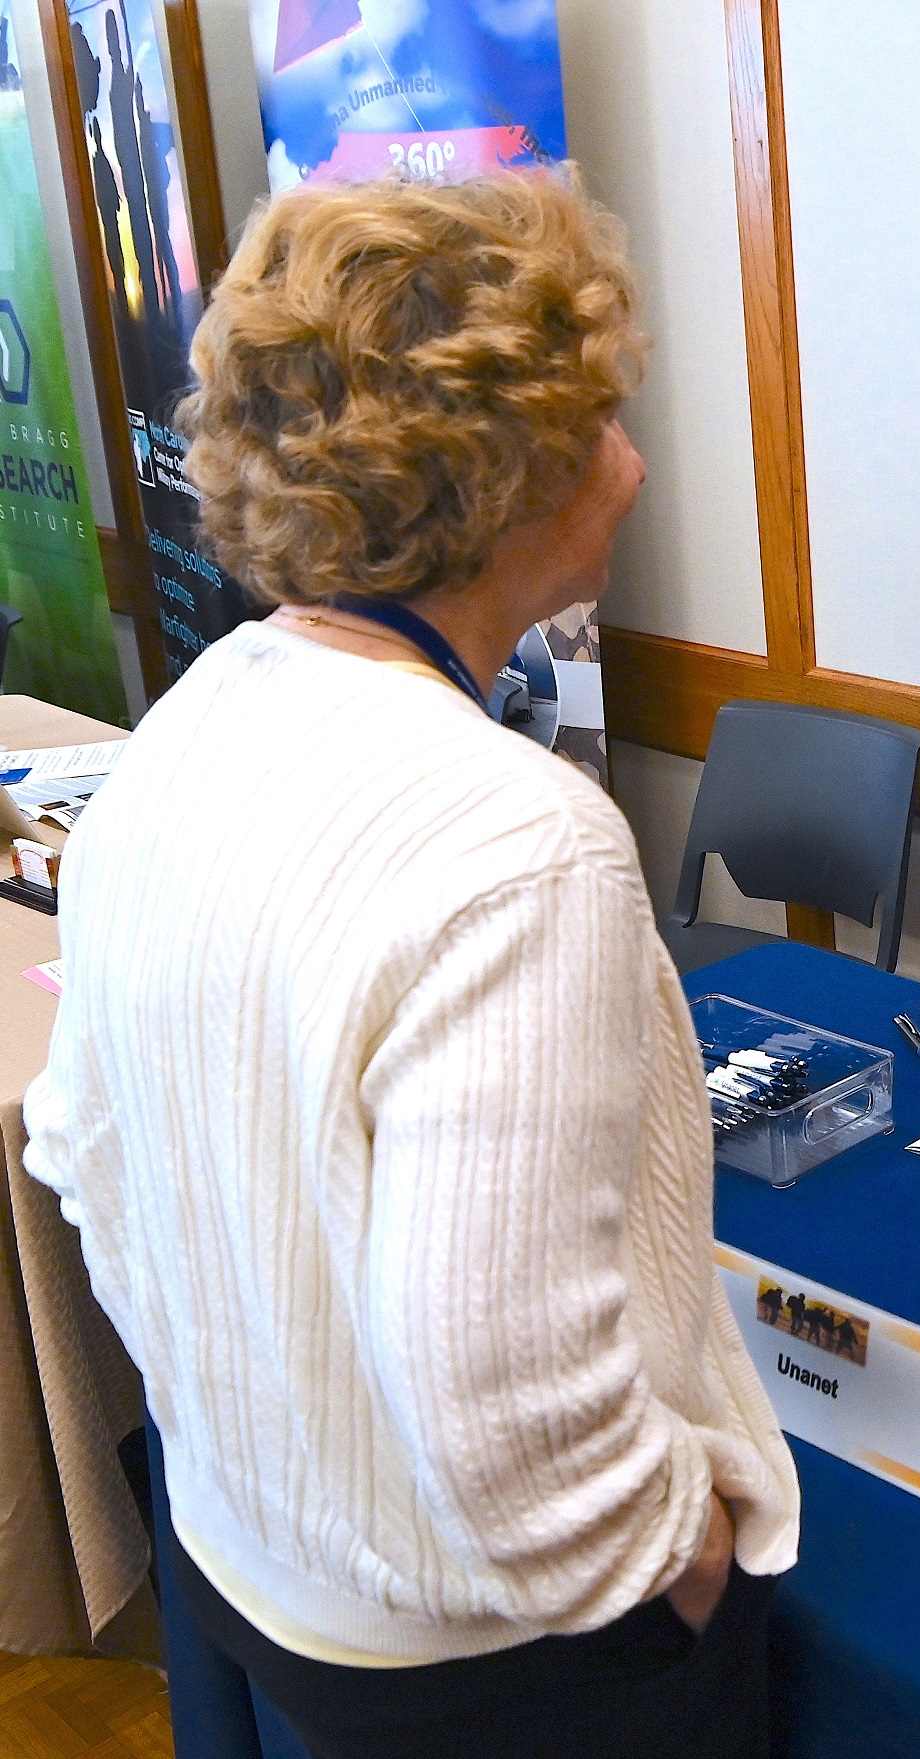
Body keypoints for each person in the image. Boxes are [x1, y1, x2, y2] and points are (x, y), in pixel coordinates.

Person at [23, 173, 798, 1757]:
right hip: (496, 1661)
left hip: (259, 1569)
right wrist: (685, 1552)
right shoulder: (518, 839)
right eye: (602, 420)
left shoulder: (191, 719)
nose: (636, 465)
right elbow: (511, 1406)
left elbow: (83, 1150)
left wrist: (254, 1439)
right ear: (504, 472)